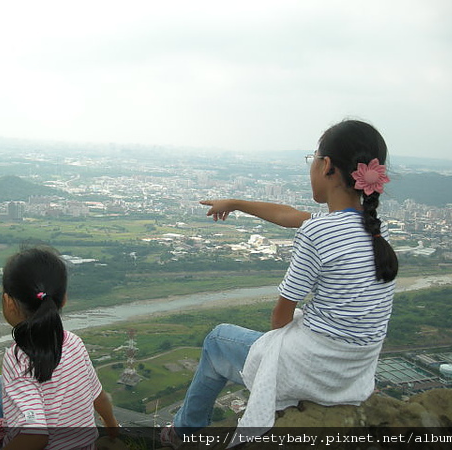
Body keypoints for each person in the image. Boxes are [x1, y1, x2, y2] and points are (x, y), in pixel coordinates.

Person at [161, 119, 398, 447]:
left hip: (317, 369)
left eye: (312, 159)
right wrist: (236, 203)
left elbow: (280, 318)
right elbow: (289, 215)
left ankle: (183, 431)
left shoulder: (318, 233)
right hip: (353, 371)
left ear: (326, 166)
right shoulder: (374, 230)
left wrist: (269, 365)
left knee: (218, 338)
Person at [0, 246, 119, 450]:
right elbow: (99, 397)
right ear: (63, 299)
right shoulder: (73, 342)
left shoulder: (18, 358)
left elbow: (35, 436)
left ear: (8, 303)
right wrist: (112, 428)